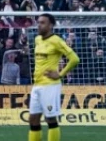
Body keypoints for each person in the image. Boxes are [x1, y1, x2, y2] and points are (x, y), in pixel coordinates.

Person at [28, 13, 80, 141]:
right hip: (37, 84)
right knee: (33, 119)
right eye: (38, 22)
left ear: (50, 25)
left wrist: (60, 74)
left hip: (50, 85)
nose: (38, 25)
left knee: (50, 118)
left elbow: (74, 59)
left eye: (42, 23)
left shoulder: (57, 40)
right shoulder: (37, 39)